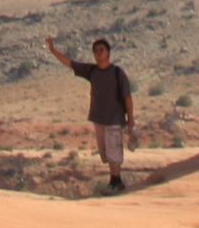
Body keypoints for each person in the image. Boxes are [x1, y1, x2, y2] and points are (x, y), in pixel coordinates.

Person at [42, 33, 135, 192]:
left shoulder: (118, 73)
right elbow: (70, 63)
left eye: (101, 50)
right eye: (96, 51)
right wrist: (52, 50)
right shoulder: (91, 71)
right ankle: (113, 182)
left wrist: (131, 120)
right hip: (99, 119)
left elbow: (127, 97)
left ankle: (116, 182)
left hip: (115, 118)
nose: (98, 53)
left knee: (114, 152)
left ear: (108, 53)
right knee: (105, 153)